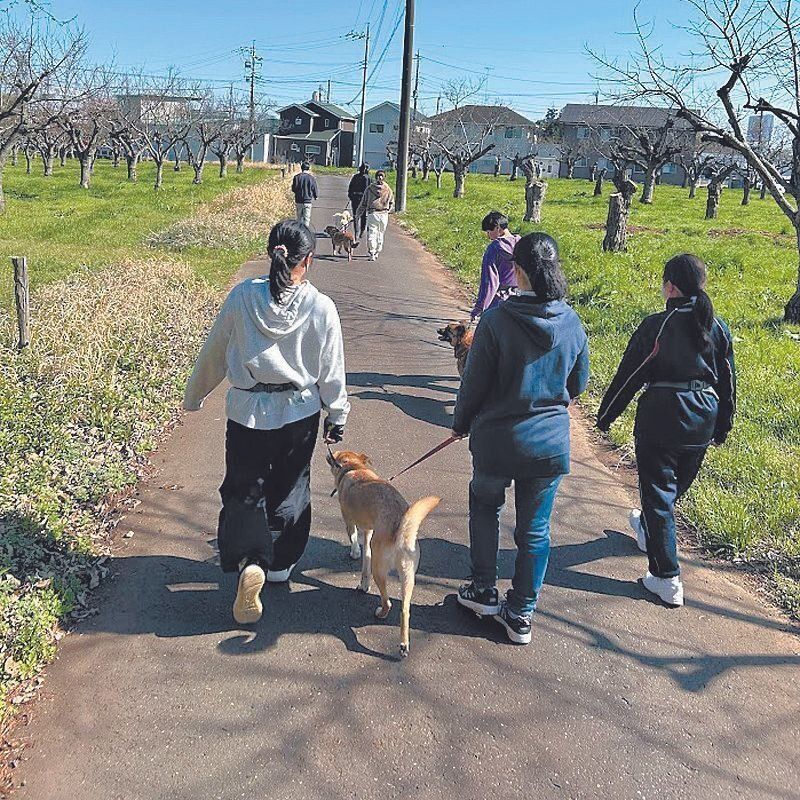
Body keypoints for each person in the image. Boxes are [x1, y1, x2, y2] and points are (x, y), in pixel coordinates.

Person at [183, 219, 350, 625]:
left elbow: (216, 351)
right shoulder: (321, 307)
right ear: (307, 260)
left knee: (244, 485)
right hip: (299, 411)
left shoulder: (243, 297)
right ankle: (277, 566)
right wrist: (337, 414)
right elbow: (332, 370)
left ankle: (249, 560)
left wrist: (195, 395)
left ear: (269, 252)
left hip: (246, 410)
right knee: (291, 486)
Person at [453, 233, 589, 644]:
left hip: (497, 441)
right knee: (535, 530)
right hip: (549, 445)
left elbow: (473, 385)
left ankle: (483, 589)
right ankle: (521, 612)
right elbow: (578, 383)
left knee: (485, 508)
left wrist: (460, 423)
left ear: (519, 271)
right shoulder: (571, 321)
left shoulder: (496, 321)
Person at [596, 253, 735, 608]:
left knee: (658, 495)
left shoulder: (656, 325)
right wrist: (723, 425)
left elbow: (629, 374)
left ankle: (666, 577)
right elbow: (728, 381)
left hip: (662, 416)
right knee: (667, 494)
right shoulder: (717, 327)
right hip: (703, 416)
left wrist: (606, 415)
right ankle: (648, 530)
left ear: (670, 286)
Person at [471, 211, 520, 321]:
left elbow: (489, 282)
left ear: (498, 228)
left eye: (489, 232)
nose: (488, 237)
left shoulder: (494, 249)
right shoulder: (522, 244)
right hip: (521, 301)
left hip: (500, 302)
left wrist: (479, 308)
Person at [365, 169, 394, 261]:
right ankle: (377, 251)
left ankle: (372, 252)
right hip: (384, 214)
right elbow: (391, 202)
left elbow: (364, 202)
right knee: (380, 233)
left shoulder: (370, 188)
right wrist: (388, 210)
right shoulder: (388, 189)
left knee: (372, 233)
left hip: (373, 213)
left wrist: (358, 213)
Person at [348, 163, 371, 241]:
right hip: (358, 199)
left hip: (361, 199)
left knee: (360, 216)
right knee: (358, 216)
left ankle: (360, 231)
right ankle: (358, 231)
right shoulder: (357, 177)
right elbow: (350, 188)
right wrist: (351, 196)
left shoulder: (367, 178)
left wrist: (351, 196)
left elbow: (370, 191)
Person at [291, 161, 318, 228]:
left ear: (301, 168)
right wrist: (315, 196)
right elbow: (314, 188)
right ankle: (305, 232)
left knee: (299, 218)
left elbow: (294, 189)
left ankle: (298, 231)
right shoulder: (311, 178)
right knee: (307, 219)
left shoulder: (296, 177)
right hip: (308, 201)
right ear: (308, 168)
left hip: (299, 200)